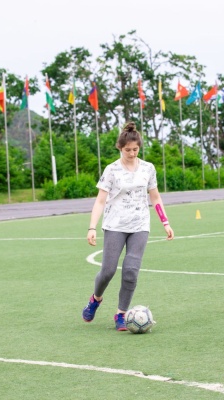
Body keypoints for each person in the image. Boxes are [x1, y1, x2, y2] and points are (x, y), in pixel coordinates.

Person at [82, 121, 174, 330]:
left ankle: (121, 314)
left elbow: (155, 197)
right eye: (128, 150)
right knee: (108, 271)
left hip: (140, 225)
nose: (132, 154)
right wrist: (92, 227)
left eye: (135, 150)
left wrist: (165, 222)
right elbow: (100, 201)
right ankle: (96, 299)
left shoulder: (148, 168)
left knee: (131, 271)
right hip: (115, 224)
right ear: (120, 148)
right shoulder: (112, 170)